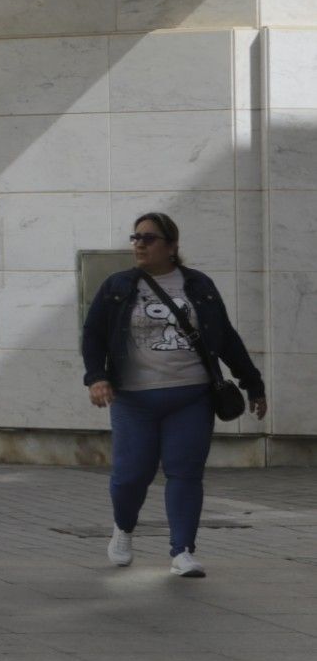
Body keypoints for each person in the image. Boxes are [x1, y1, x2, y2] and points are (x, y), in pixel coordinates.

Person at [81, 212, 268, 577]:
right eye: (135, 238)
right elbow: (93, 336)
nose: (139, 245)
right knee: (131, 476)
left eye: (148, 238)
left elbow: (225, 338)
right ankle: (124, 528)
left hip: (191, 396)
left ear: (171, 246)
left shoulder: (198, 286)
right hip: (134, 400)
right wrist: (96, 377)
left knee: (185, 473)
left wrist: (253, 384)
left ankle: (182, 551)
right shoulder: (117, 286)